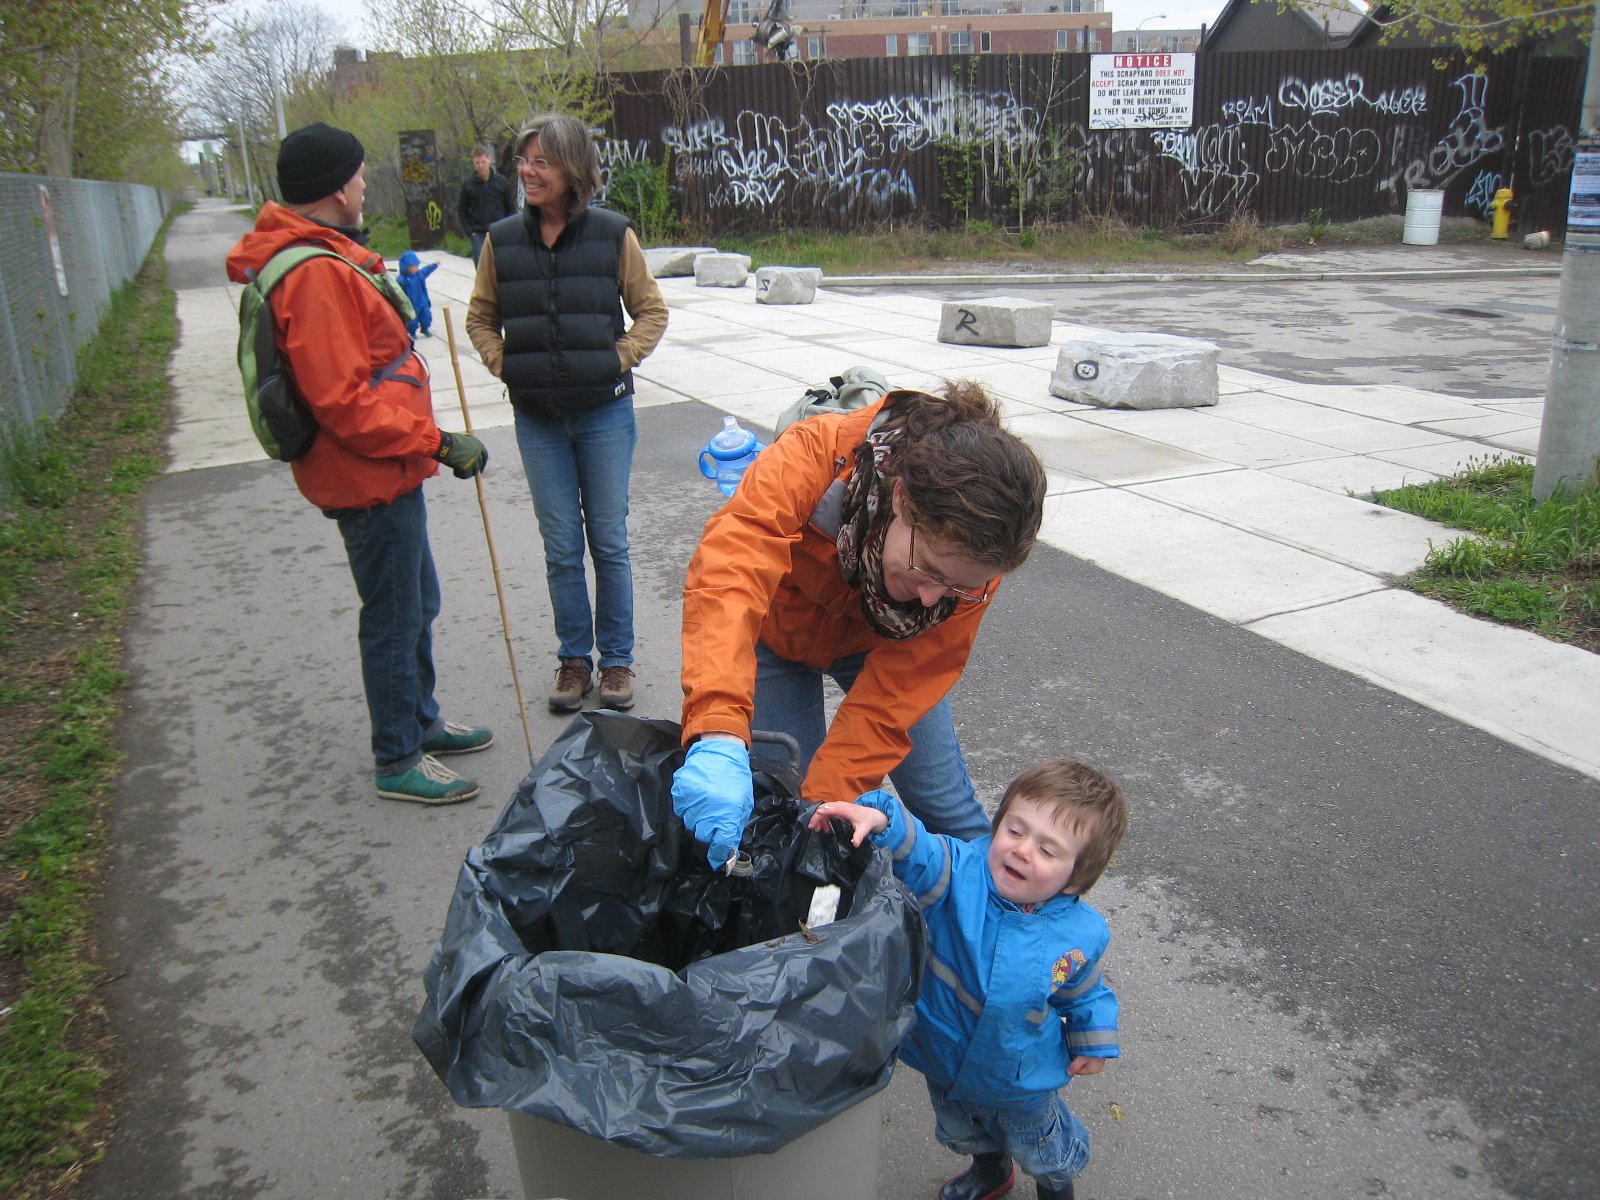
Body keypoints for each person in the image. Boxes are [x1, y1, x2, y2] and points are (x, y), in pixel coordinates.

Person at [671, 381, 1046, 868]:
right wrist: (718, 727)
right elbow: (729, 579)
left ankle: (1002, 925)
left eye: (954, 589)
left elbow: (890, 704)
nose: (934, 599)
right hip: (779, 635)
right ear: (903, 503)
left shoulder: (971, 568)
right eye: (929, 570)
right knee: (782, 796)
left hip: (885, 647)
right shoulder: (813, 454)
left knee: (943, 802)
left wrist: (822, 809)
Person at [226, 122, 492, 805]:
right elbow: (343, 403)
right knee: (395, 614)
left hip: (386, 469)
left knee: (417, 599)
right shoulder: (313, 275)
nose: (365, 182)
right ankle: (397, 757)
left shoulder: (321, 255)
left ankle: (421, 721)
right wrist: (435, 441)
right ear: (334, 187)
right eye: (358, 174)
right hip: (367, 476)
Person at [808, 757, 1128, 1200]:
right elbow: (921, 851)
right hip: (944, 1054)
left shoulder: (1079, 935)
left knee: (1043, 1150)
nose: (1021, 849)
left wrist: (1093, 1041)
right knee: (965, 1130)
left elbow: (1084, 991)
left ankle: (1055, 1188)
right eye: (1014, 830)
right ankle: (990, 1170)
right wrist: (884, 818)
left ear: (1077, 878)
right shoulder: (960, 875)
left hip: (1020, 1081)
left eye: (1047, 850)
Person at [467, 114, 668, 715]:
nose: (528, 171)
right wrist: (506, 364)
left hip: (605, 414)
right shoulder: (502, 240)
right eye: (523, 161)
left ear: (572, 169)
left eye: (542, 161)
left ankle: (617, 661)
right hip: (539, 420)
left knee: (607, 540)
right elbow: (481, 317)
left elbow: (651, 312)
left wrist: (618, 357)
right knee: (560, 547)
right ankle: (574, 659)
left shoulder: (612, 235)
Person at [456, 144, 517, 265]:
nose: (481, 166)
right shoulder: (468, 185)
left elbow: (510, 206)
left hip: (500, 231)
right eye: (477, 163)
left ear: (489, 159)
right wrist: (470, 231)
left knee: (502, 266)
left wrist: (509, 228)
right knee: (481, 268)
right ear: (473, 162)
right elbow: (462, 210)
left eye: (483, 162)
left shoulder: (501, 182)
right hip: (478, 234)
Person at [396, 250, 437, 338]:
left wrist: (435, 264)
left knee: (426, 317)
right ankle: (412, 332)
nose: (416, 268)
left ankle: (425, 328)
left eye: (416, 266)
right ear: (406, 267)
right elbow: (397, 291)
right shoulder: (402, 280)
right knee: (412, 321)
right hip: (411, 305)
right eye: (412, 266)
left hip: (423, 302)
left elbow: (427, 270)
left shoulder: (420, 275)